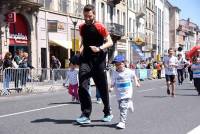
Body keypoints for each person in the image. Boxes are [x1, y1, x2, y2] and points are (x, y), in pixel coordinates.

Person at [76, 4, 113, 124]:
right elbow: (83, 40)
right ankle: (86, 114)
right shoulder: (81, 27)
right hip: (85, 59)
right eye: (85, 16)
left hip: (98, 60)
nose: (87, 18)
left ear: (94, 15)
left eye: (89, 16)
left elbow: (110, 42)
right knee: (82, 85)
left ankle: (107, 111)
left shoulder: (100, 26)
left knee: (102, 88)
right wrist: (81, 48)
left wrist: (99, 48)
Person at [110, 55, 140, 129]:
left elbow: (134, 76)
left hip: (127, 93)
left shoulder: (129, 71)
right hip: (119, 93)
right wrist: (111, 88)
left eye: (119, 64)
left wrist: (136, 82)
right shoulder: (114, 73)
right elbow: (112, 82)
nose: (117, 66)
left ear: (123, 63)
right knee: (121, 107)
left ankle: (122, 122)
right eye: (116, 64)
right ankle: (129, 103)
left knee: (123, 107)